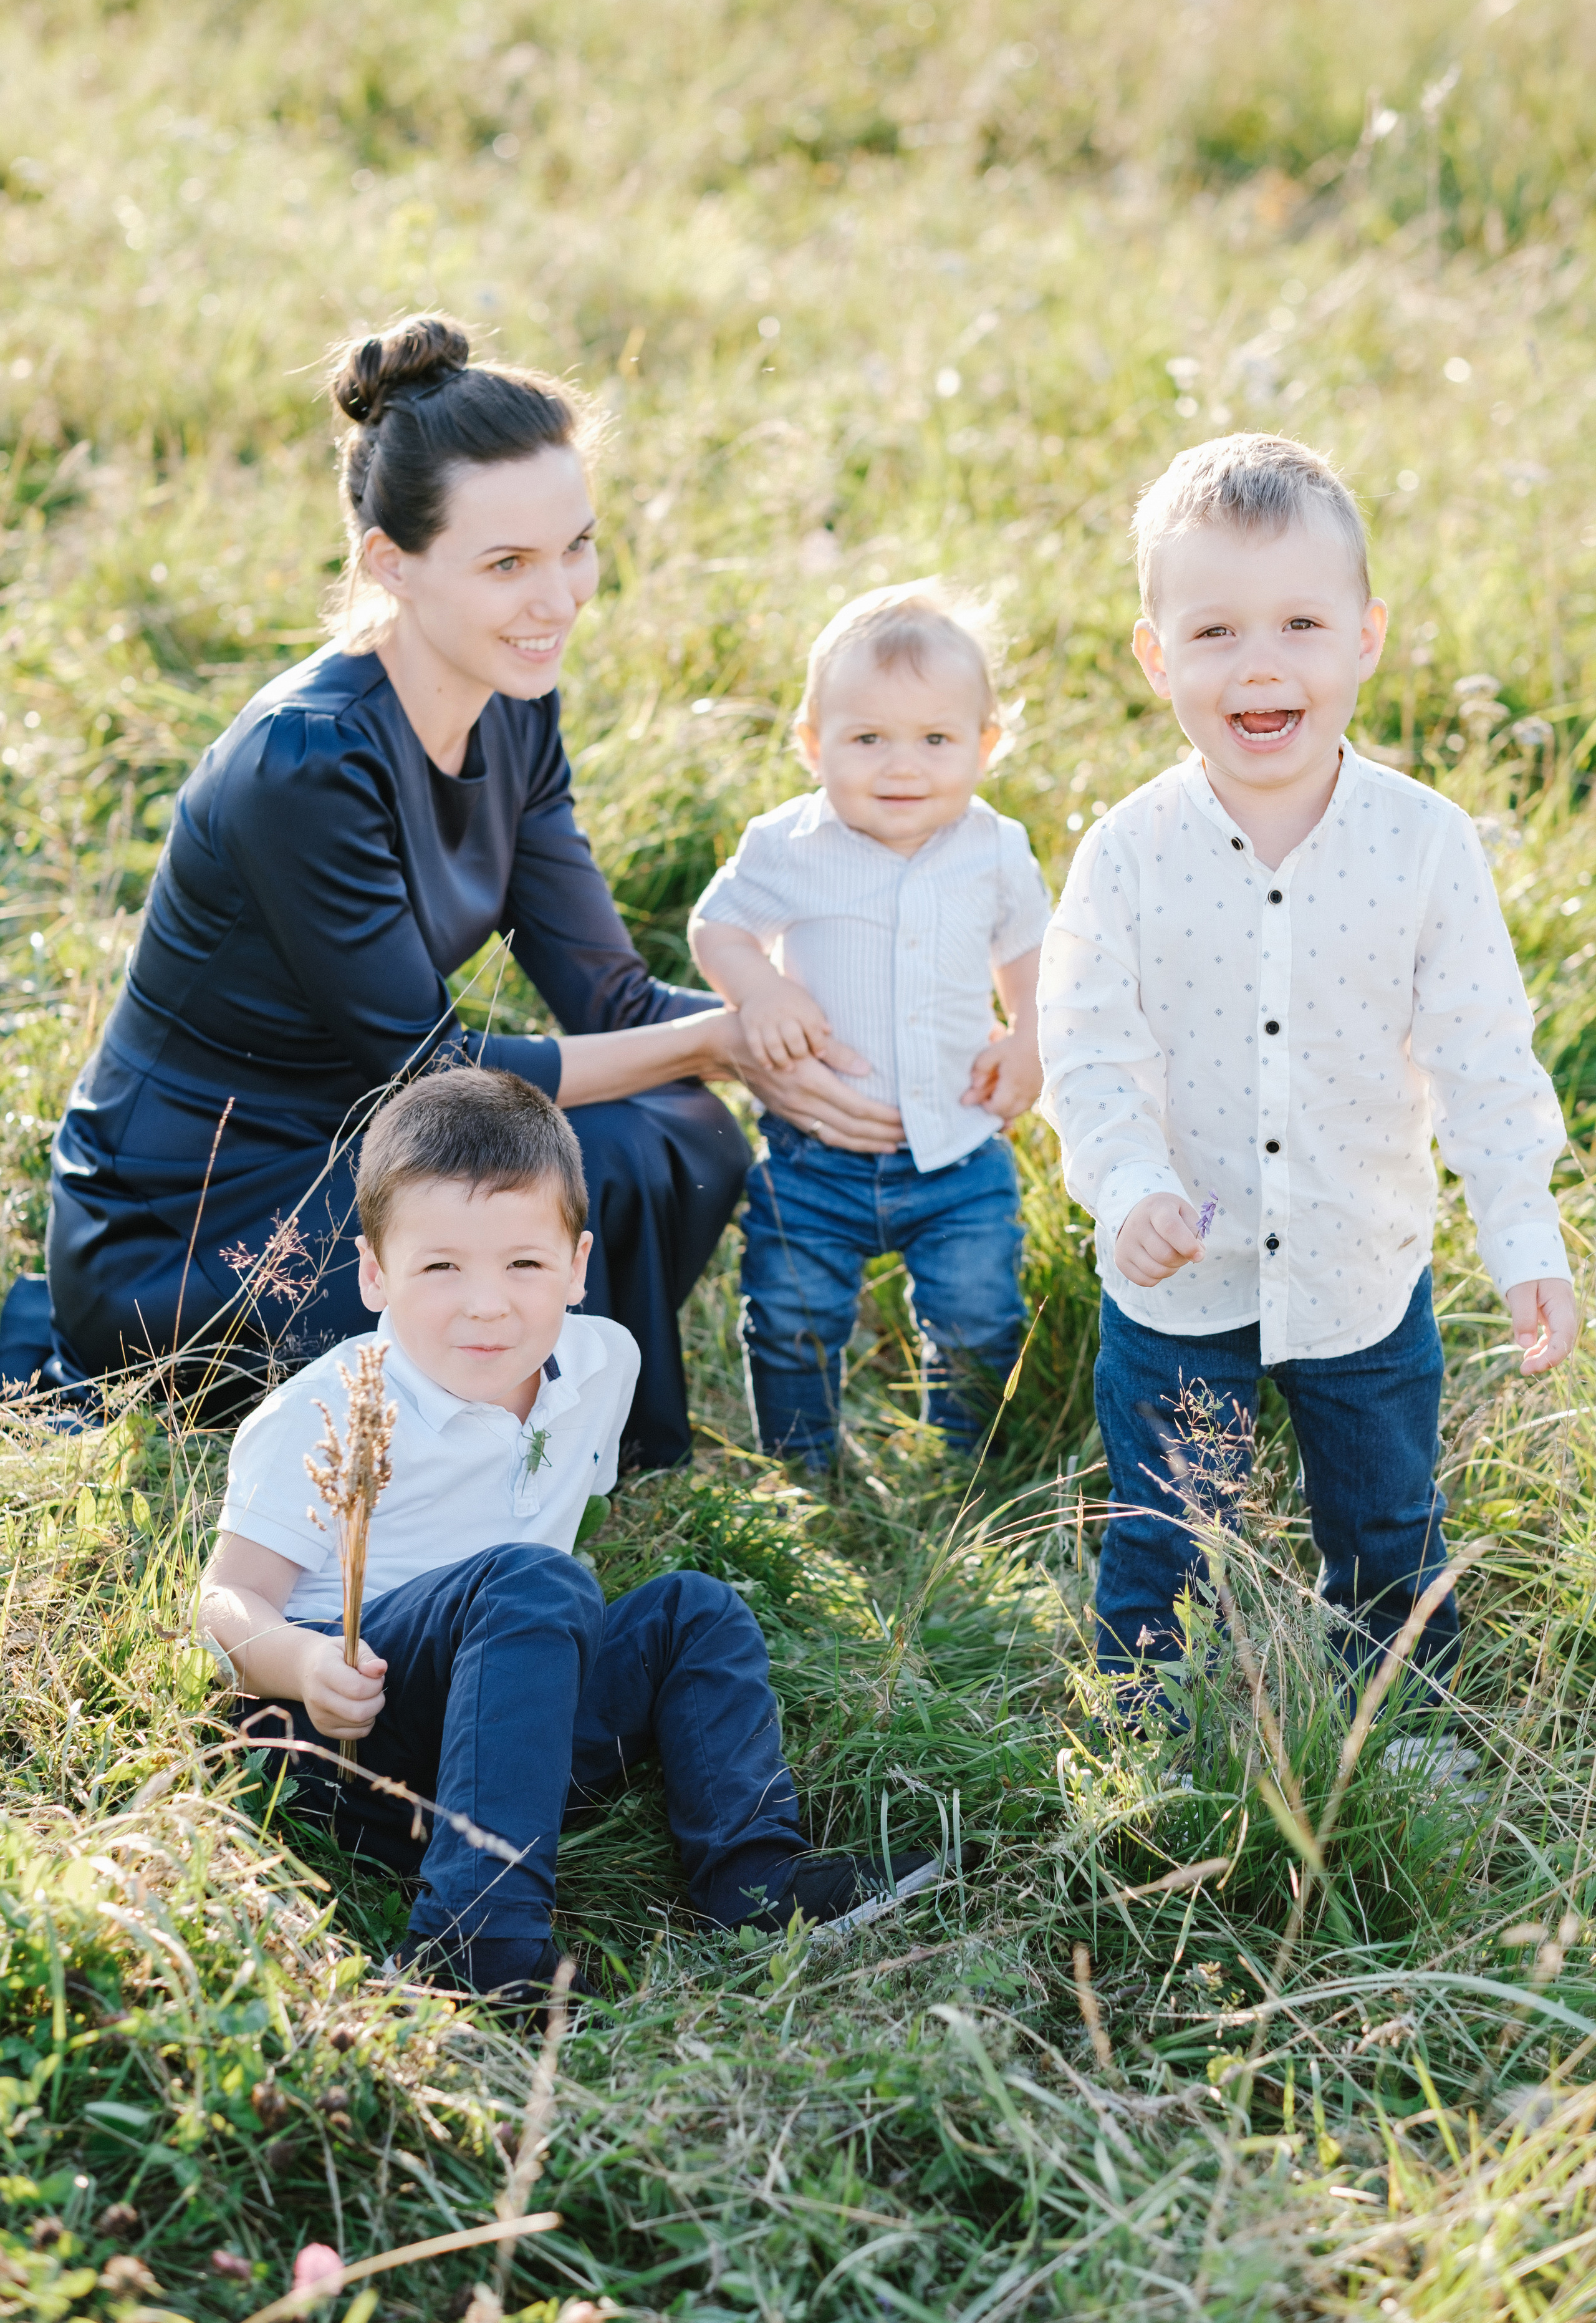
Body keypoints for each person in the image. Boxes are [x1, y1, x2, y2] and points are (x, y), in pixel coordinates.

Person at [11, 314, 901, 1464]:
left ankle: (557, 1436)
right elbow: (433, 1074)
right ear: (392, 562)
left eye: (575, 545)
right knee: (595, 1161)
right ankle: (493, 1439)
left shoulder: (515, 701)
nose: (562, 598)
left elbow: (608, 997)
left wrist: (823, 1033)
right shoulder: (304, 763)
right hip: (198, 1221)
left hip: (374, 1151)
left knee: (677, 1138)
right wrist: (722, 1044)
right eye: (507, 566)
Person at [198, 1067, 939, 2004]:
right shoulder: (329, 1411)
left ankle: (753, 1880)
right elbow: (225, 1602)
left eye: (524, 1265)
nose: (487, 1304)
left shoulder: (602, 1364)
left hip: (518, 1732)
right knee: (533, 1582)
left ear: (578, 1266)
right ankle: (473, 1942)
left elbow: (565, 1511)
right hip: (354, 1744)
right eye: (440, 1267)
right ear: (375, 1273)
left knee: (692, 1612)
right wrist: (306, 1668)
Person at [1038, 432, 1579, 1687]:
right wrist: (1124, 1192)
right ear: (1152, 653)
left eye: (1297, 623)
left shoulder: (1423, 847)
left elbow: (1481, 1058)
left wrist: (1521, 1238)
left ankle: (1407, 1725)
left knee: (1387, 1522)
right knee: (1169, 1535)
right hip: (1181, 1279)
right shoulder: (1124, 855)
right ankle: (1143, 1729)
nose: (1259, 665)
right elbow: (1088, 1053)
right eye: (1213, 633)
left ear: (1363, 637)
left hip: (1359, 1270)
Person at [688, 582, 1053, 1466]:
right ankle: (802, 1469)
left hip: (959, 1152)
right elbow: (718, 926)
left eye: (935, 740)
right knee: (789, 1319)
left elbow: (1034, 954)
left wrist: (1029, 1036)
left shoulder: (994, 848)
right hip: (816, 1154)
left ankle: (957, 1464)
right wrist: (760, 994)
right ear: (814, 745)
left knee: (979, 1317)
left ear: (984, 745)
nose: (902, 767)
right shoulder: (790, 845)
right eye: (867, 740)